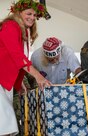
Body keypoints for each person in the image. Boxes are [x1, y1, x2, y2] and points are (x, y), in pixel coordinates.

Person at [0, 0, 51, 135]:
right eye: (29, 13)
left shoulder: (22, 30)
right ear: (18, 13)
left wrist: (19, 79)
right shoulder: (10, 26)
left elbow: (10, 57)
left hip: (5, 80)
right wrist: (38, 76)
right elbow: (16, 55)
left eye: (35, 15)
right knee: (6, 123)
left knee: (6, 124)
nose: (32, 18)